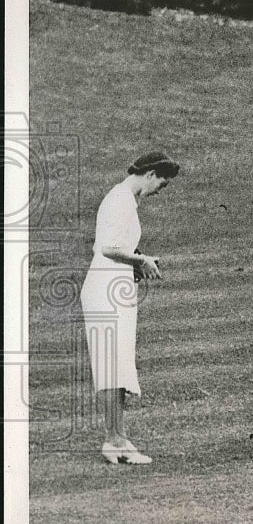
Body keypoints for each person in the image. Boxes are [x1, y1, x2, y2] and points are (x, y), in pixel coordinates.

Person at [80, 152, 179, 464]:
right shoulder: (120, 199)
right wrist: (141, 260)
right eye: (160, 185)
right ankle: (113, 440)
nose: (159, 191)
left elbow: (117, 246)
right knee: (110, 365)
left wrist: (135, 262)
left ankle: (119, 439)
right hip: (104, 289)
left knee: (119, 364)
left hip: (115, 285)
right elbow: (106, 247)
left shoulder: (126, 200)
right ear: (149, 174)